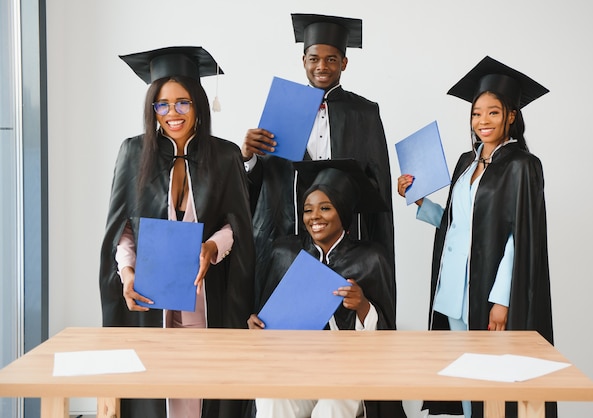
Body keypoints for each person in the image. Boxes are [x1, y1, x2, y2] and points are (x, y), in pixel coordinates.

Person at [99, 46, 255, 418]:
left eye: (182, 103)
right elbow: (123, 229)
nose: (172, 114)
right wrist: (127, 273)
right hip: (152, 297)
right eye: (162, 105)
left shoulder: (225, 155)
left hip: (207, 296)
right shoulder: (133, 153)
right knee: (157, 391)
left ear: (198, 104)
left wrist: (213, 248)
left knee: (203, 387)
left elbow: (239, 225)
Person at [397, 56, 555, 418]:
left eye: (493, 113)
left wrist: (502, 300)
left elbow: (520, 239)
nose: (482, 121)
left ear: (511, 115)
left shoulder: (522, 166)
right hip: (454, 290)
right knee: (465, 375)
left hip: (487, 292)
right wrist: (419, 200)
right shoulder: (465, 162)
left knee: (493, 380)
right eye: (476, 113)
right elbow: (455, 223)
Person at [242, 13, 395, 312]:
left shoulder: (364, 112)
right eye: (314, 59)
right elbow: (267, 180)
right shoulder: (283, 107)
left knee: (342, 319)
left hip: (344, 241)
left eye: (331, 59)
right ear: (304, 61)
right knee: (292, 321)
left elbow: (378, 183)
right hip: (292, 233)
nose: (322, 66)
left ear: (344, 63)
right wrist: (248, 156)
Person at [249, 160, 406, 418]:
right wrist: (257, 326)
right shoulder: (286, 252)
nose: (315, 217)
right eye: (308, 210)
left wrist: (363, 306)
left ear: (342, 214)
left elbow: (386, 336)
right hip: (295, 368)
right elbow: (268, 319)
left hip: (349, 372)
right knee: (270, 399)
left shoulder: (370, 258)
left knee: (331, 408)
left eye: (325, 208)